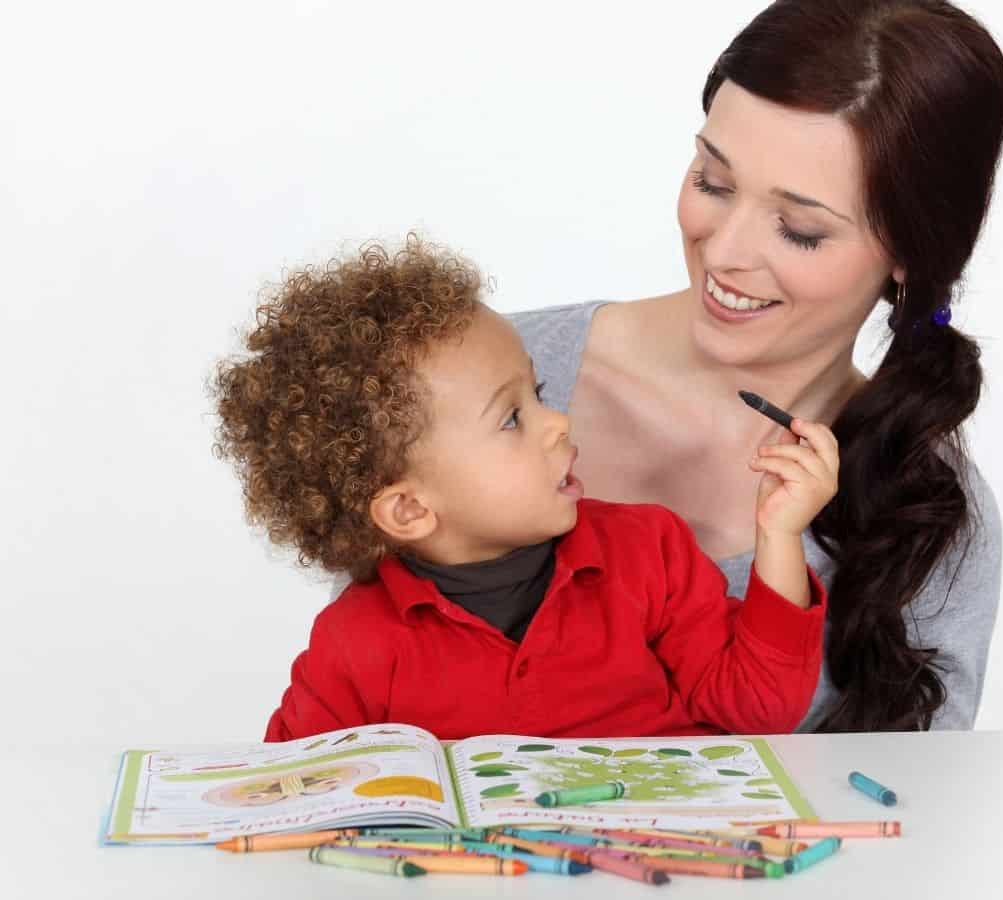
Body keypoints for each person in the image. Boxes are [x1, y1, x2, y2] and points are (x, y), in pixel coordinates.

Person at [509, 0, 1003, 731]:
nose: (724, 251)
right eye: (712, 181)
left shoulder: (925, 511)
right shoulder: (489, 377)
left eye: (800, 230)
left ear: (911, 254)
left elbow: (918, 820)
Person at [211, 238, 839, 741]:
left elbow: (759, 710)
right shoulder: (355, 646)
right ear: (409, 508)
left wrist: (779, 535)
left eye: (537, 395)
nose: (558, 421)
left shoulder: (651, 553)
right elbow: (295, 799)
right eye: (512, 418)